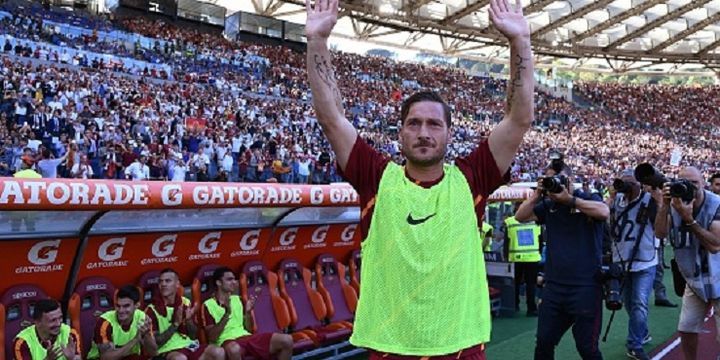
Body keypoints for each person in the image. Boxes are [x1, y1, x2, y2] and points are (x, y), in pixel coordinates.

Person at [305, 0, 534, 356]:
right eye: (414, 123)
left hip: (459, 345)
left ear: (448, 134)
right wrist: (317, 41)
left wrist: (519, 42)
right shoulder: (376, 178)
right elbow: (331, 118)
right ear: (400, 133)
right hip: (389, 346)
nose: (423, 132)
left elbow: (519, 118)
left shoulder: (472, 178)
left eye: (433, 124)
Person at [515, 164, 609, 360]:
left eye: (559, 178)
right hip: (554, 287)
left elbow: (603, 212)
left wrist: (570, 200)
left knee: (587, 347)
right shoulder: (549, 205)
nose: (555, 183)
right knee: (543, 342)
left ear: (570, 179)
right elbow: (520, 216)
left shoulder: (587, 197)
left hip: (585, 287)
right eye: (550, 179)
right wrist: (537, 194)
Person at [654, 166, 720, 360]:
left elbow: (715, 245)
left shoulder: (716, 204)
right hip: (694, 279)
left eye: (694, 183)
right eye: (683, 183)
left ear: (703, 183)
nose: (689, 188)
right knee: (686, 328)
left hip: (719, 274)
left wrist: (688, 219)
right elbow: (660, 233)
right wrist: (664, 205)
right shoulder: (674, 203)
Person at [608, 169, 659, 360]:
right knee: (629, 304)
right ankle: (643, 332)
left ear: (639, 184)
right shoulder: (615, 203)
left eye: (630, 183)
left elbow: (660, 225)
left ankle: (634, 345)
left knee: (639, 303)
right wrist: (611, 200)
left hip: (644, 260)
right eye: (623, 182)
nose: (626, 187)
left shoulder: (649, 201)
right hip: (621, 260)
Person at [200, 267, 293, 360]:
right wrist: (227, 314)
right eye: (229, 279)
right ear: (218, 283)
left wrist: (248, 313)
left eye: (234, 279)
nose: (234, 282)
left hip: (246, 337)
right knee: (234, 349)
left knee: (286, 339)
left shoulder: (238, 299)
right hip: (227, 341)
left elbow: (249, 329)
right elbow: (212, 337)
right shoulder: (208, 305)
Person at [146, 268, 225, 360]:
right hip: (167, 350)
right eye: (161, 281)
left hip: (188, 345)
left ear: (177, 284)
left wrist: (189, 320)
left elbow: (193, 335)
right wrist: (175, 324)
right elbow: (156, 342)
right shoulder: (151, 309)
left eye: (168, 281)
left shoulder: (185, 302)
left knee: (218, 351)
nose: (163, 284)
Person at [88, 285, 157, 360]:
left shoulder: (142, 318)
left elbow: (153, 353)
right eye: (118, 306)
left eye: (126, 306)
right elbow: (105, 357)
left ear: (137, 305)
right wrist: (135, 340)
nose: (121, 310)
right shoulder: (105, 322)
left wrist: (146, 335)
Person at [504, 203, 542, 316]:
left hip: (515, 258)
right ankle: (531, 309)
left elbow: (507, 242)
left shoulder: (509, 222)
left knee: (515, 284)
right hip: (532, 258)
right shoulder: (536, 221)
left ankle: (514, 306)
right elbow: (541, 240)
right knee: (531, 284)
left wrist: (506, 257)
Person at [13, 299, 81, 360]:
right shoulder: (22, 342)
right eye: (53, 320)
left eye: (60, 318)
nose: (58, 323)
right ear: (38, 322)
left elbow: (78, 357)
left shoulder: (70, 333)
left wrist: (72, 358)